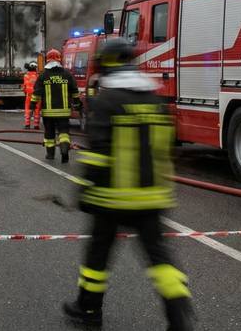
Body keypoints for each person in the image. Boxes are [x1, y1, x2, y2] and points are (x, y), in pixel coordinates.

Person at [63, 38, 193, 330]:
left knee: (98, 254)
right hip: (152, 197)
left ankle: (89, 310)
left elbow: (98, 155)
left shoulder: (107, 102)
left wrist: (85, 191)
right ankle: (179, 316)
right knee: (159, 258)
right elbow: (165, 150)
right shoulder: (156, 102)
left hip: (112, 199)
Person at [31, 49, 78, 163]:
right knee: (63, 131)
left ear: (47, 60)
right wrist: (77, 104)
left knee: (49, 133)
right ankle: (64, 149)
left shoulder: (43, 75)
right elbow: (75, 91)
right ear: (59, 59)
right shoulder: (67, 74)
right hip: (64, 111)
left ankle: (50, 154)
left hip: (48, 112)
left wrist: (32, 106)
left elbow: (36, 93)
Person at [22, 62, 41, 130]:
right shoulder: (38, 76)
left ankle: (27, 124)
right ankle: (36, 125)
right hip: (37, 95)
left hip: (29, 95)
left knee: (28, 109)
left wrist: (26, 93)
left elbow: (24, 87)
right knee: (37, 110)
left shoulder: (26, 76)